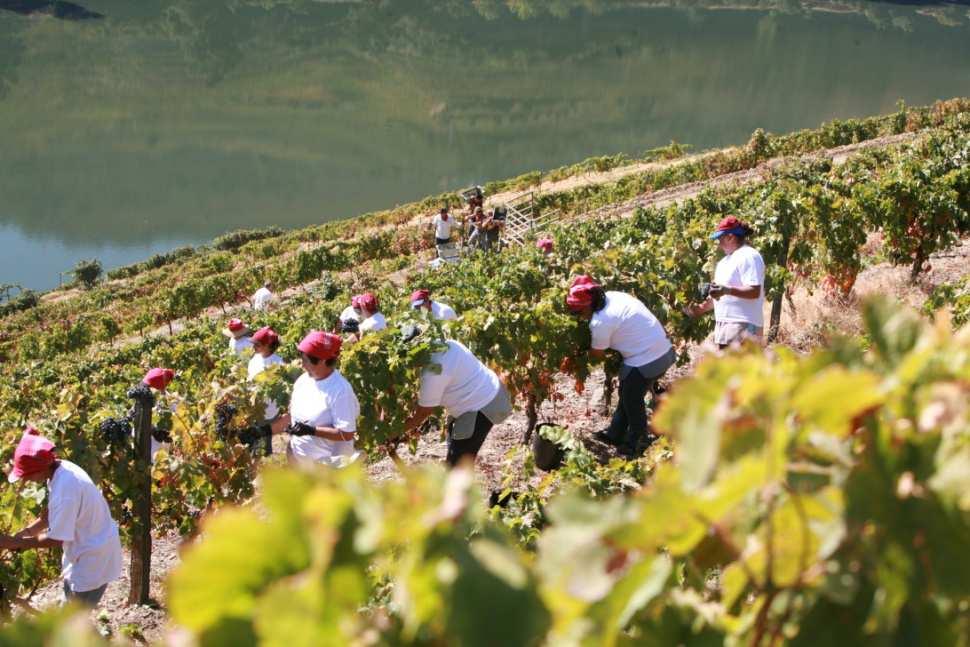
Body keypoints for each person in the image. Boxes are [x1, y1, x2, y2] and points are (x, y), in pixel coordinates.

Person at [0, 428, 122, 607]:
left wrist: (17, 543)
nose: (26, 481)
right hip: (86, 550)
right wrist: (22, 534)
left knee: (72, 624)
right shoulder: (60, 470)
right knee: (71, 616)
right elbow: (49, 517)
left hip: (92, 559)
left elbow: (57, 539)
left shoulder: (66, 489)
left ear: (39, 469)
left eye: (28, 475)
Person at [566, 275, 675, 458]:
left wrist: (578, 351)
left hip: (648, 359)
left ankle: (637, 442)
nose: (578, 315)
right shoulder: (613, 295)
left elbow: (597, 355)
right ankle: (615, 434)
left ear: (589, 305)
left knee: (632, 400)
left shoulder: (600, 322)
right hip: (662, 350)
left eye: (579, 311)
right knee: (626, 391)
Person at [401, 327, 513, 467]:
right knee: (458, 453)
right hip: (492, 390)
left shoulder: (433, 372)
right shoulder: (449, 344)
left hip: (482, 408)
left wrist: (396, 432)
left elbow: (424, 412)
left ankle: (462, 486)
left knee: (455, 468)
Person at [273, 331, 359, 467]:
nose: (302, 365)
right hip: (298, 460)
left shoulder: (340, 390)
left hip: (327, 468)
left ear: (322, 361)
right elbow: (293, 415)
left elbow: (346, 434)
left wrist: (311, 430)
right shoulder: (303, 381)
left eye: (305, 360)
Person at [686, 216, 765, 348]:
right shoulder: (724, 262)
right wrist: (700, 309)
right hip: (724, 328)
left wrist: (726, 290)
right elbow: (719, 295)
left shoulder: (749, 256)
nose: (718, 243)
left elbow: (754, 291)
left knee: (741, 368)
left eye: (720, 238)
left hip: (743, 326)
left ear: (730, 237)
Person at [142, 367, 175, 462]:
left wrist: (165, 433)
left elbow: (175, 421)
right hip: (145, 445)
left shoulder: (169, 400)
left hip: (158, 449)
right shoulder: (144, 399)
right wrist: (153, 430)